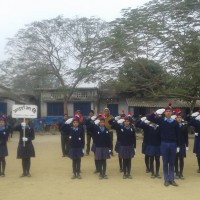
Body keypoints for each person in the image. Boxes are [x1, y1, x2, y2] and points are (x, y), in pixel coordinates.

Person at [147, 105, 180, 187]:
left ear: (171, 113)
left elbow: (178, 135)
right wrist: (156, 112)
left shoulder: (175, 122)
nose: (168, 113)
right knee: (165, 162)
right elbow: (149, 118)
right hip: (164, 143)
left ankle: (172, 179)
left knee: (172, 162)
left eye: (169, 111)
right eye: (166, 111)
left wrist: (178, 146)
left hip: (173, 143)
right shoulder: (161, 121)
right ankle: (166, 179)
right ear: (164, 113)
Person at [174, 112, 189, 179]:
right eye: (178, 117)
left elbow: (186, 136)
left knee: (181, 159)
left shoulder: (184, 125)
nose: (179, 119)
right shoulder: (173, 125)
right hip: (175, 145)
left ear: (181, 118)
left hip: (182, 144)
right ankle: (176, 173)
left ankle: (181, 173)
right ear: (176, 118)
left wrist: (187, 145)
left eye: (180, 117)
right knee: (175, 159)